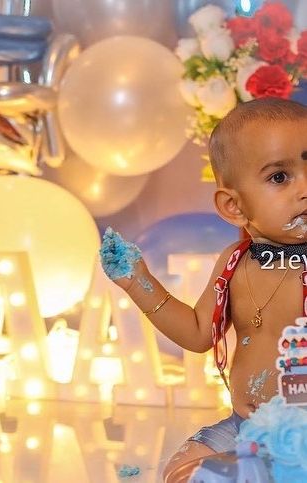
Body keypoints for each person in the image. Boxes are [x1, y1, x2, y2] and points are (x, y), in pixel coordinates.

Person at [99, 97, 307, 481]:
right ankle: (251, 469)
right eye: (280, 177)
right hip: (243, 424)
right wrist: (138, 281)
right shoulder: (234, 262)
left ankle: (263, 470)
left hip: (301, 435)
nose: (304, 188)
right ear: (234, 207)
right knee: (180, 473)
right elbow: (198, 333)